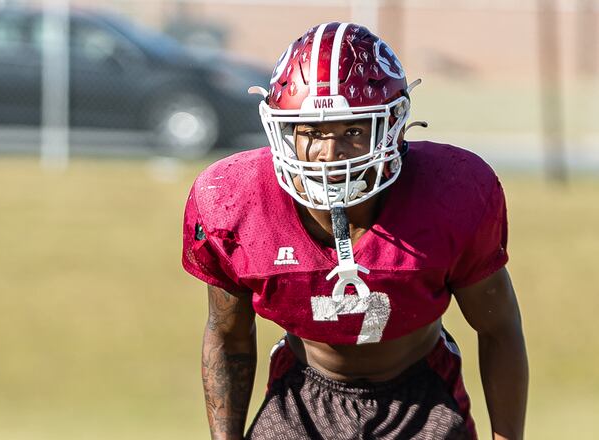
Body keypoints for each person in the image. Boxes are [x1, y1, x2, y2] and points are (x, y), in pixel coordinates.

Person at [181, 22, 528, 440]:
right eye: (311, 132)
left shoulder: (451, 195)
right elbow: (227, 336)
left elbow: (498, 328)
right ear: (284, 131)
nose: (329, 154)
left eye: (352, 131)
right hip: (302, 395)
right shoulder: (235, 202)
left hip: (420, 395)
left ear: (393, 126)